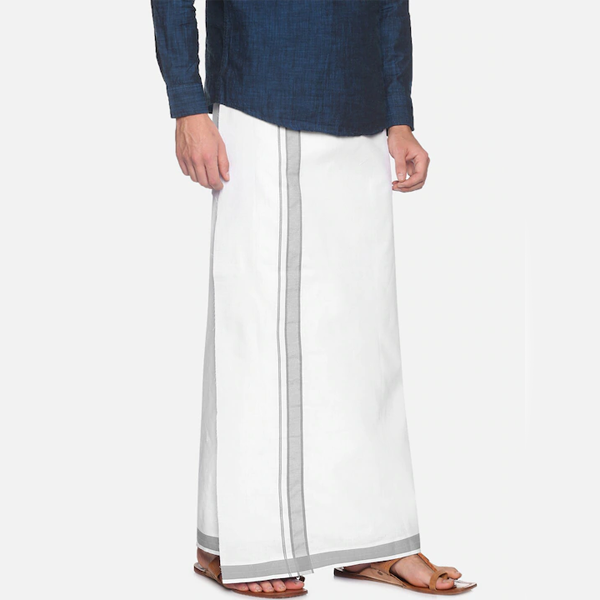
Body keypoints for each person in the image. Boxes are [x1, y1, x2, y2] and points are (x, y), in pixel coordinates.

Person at [150, 1, 476, 596]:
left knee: (365, 343)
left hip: (361, 106)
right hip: (263, 91)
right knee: (262, 329)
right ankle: (246, 542)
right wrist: (187, 103)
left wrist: (398, 114)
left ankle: (375, 538)